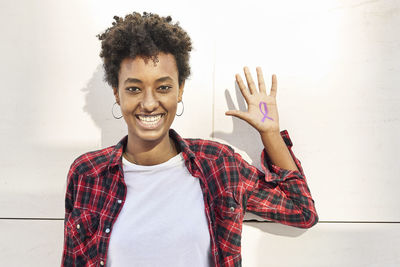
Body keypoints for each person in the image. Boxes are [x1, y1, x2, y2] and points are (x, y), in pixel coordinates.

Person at [61, 11, 318, 267]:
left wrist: (271, 134)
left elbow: (301, 210)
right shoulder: (87, 173)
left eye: (163, 87)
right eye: (134, 89)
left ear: (180, 89)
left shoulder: (218, 164)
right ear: (117, 93)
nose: (149, 103)